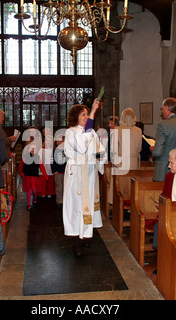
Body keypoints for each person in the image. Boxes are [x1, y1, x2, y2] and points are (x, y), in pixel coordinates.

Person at [63, 100, 107, 257]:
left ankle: (86, 235)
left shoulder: (91, 131)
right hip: (76, 174)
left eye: (87, 114)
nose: (86, 117)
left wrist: (100, 157)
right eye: (84, 114)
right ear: (75, 117)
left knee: (88, 206)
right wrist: (94, 113)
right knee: (77, 207)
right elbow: (81, 146)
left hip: (89, 172)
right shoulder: (71, 132)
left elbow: (99, 149)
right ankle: (76, 242)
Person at [19, 142, 49, 210]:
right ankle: (29, 204)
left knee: (35, 190)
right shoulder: (25, 157)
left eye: (34, 148)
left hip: (34, 177)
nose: (33, 150)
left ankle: (35, 199)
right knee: (29, 190)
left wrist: (46, 176)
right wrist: (22, 175)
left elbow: (42, 167)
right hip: (28, 177)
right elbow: (20, 168)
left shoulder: (37, 158)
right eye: (31, 148)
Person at [51, 134, 66, 208]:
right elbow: (51, 161)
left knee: (66, 187)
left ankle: (66, 201)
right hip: (57, 171)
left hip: (66, 171)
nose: (59, 142)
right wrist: (53, 170)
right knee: (59, 187)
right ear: (56, 142)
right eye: (58, 141)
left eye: (61, 141)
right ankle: (60, 201)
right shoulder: (54, 151)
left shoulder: (66, 150)